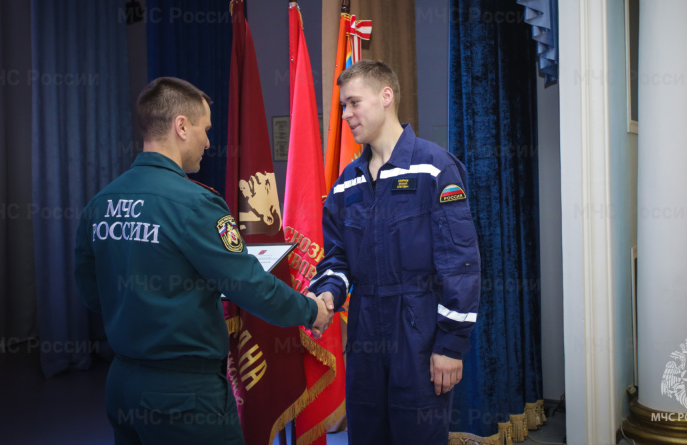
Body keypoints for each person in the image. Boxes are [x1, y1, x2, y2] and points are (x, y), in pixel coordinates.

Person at [74, 77, 332, 445]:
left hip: (122, 385)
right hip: (184, 395)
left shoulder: (100, 203)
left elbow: (91, 292)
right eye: (205, 129)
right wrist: (311, 311)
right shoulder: (195, 205)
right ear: (181, 126)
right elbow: (250, 286)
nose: (209, 142)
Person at [309, 60, 481, 444]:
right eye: (342, 107)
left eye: (353, 103)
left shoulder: (434, 168)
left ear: (386, 96)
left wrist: (451, 345)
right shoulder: (345, 185)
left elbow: (460, 263)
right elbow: (336, 259)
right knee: (367, 433)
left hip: (417, 331)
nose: (346, 114)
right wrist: (326, 295)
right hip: (365, 330)